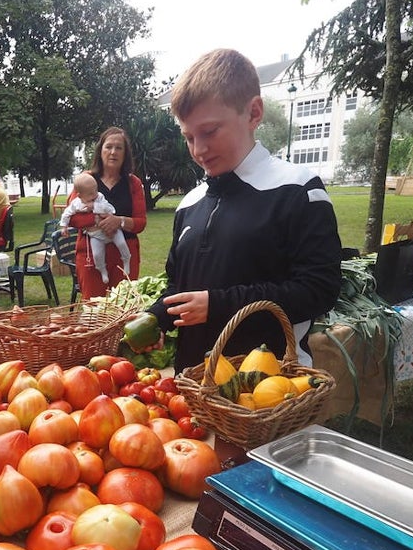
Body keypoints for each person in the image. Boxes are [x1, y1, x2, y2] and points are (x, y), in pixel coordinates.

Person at [144, 48, 342, 375]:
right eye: (189, 137)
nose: (198, 150)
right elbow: (178, 287)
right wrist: (158, 318)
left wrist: (218, 304)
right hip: (193, 388)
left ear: (253, 113)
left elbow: (318, 290)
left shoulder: (298, 190)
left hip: (266, 392)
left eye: (209, 132)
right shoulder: (189, 204)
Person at [64, 127, 148, 298]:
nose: (113, 152)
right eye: (108, 147)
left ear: (125, 154)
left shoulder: (133, 183)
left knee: (122, 309)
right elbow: (72, 218)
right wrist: (99, 220)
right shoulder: (85, 180)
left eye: (119, 148)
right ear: (100, 151)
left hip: (124, 256)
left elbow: (140, 222)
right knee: (94, 312)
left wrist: (119, 221)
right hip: (91, 257)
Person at [58, 172, 131, 287]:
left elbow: (110, 209)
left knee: (122, 243)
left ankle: (126, 260)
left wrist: (95, 206)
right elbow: (67, 214)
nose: (95, 194)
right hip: (95, 235)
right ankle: (102, 270)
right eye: (90, 193)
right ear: (80, 195)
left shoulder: (100, 197)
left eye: (96, 190)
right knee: (97, 255)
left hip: (113, 230)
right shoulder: (76, 204)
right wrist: (64, 226)